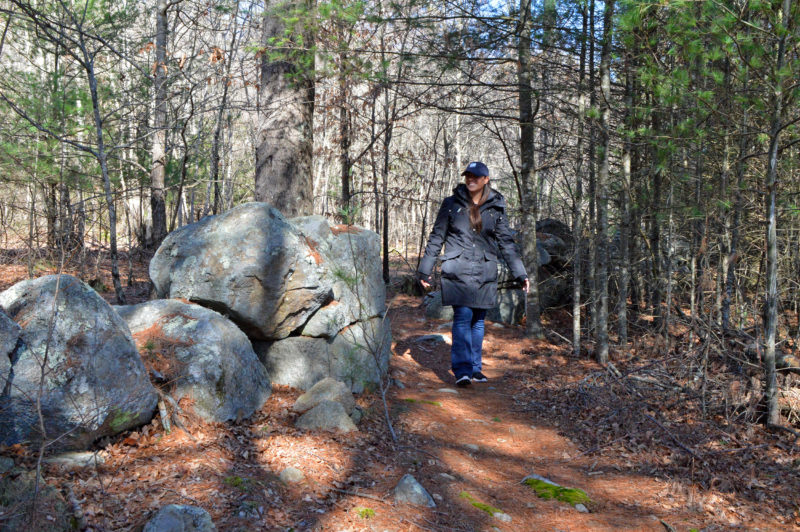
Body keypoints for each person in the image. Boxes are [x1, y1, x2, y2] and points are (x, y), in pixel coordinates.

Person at [418, 161, 530, 386]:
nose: (471, 180)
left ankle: (476, 368)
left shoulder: (497, 206)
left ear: (486, 179)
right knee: (463, 317)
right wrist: (424, 269)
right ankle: (462, 370)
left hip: (484, 271)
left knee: (478, 321)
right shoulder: (451, 204)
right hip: (457, 269)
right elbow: (437, 236)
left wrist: (520, 274)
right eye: (468, 176)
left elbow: (506, 242)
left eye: (476, 177)